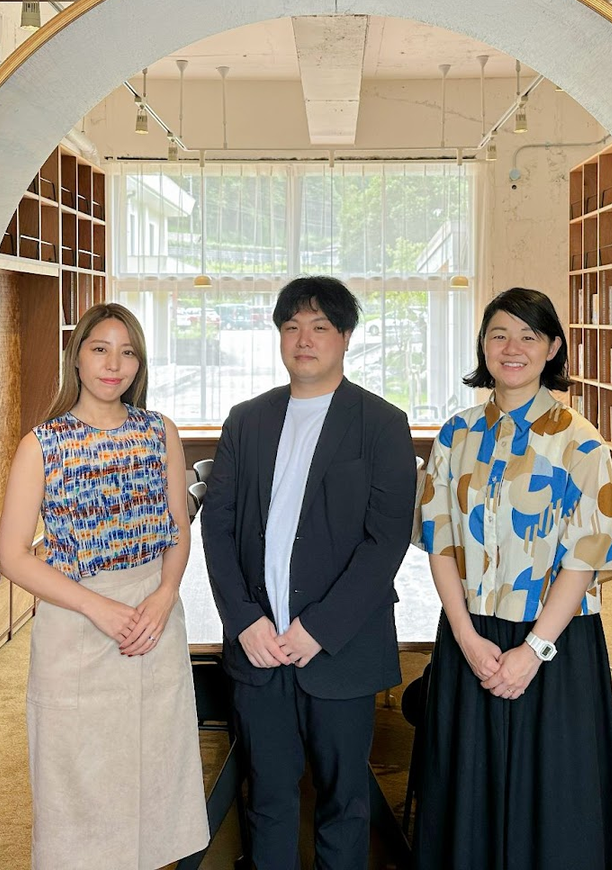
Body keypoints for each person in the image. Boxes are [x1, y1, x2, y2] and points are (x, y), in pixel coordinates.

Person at [414, 287, 612, 869]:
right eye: (499, 335)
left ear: (552, 348)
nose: (512, 348)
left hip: (553, 639)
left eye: (528, 336)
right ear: (483, 346)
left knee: (554, 799)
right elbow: (440, 544)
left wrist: (534, 650)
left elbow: (585, 558)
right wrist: (464, 636)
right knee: (465, 790)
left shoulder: (581, 440)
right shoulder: (454, 435)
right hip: (471, 637)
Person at [201, 276, 417, 870]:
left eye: (320, 326)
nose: (304, 339)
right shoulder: (247, 420)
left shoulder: (382, 423)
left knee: (344, 802)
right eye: (292, 326)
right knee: (267, 799)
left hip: (339, 649)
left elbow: (385, 542)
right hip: (258, 647)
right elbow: (217, 526)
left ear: (345, 337)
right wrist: (244, 621)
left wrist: (318, 628)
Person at [0, 302, 208, 870]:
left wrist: (165, 595)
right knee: (78, 784)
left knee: (154, 774)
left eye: (127, 352)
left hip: (153, 618)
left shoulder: (159, 431)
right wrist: (100, 608)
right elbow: (11, 556)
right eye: (100, 349)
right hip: (76, 620)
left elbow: (178, 528)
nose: (114, 364)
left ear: (139, 363)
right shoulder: (42, 444)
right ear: (78, 358)